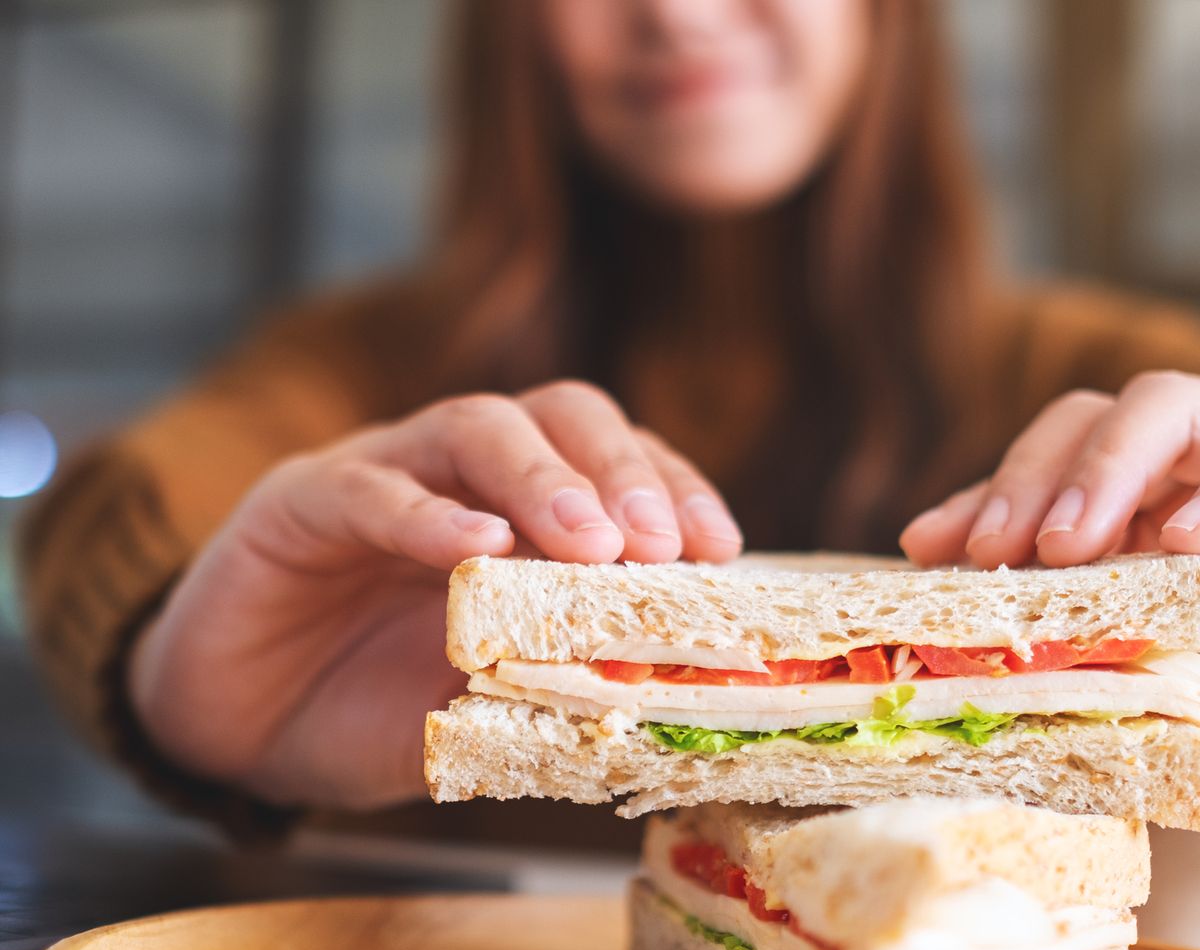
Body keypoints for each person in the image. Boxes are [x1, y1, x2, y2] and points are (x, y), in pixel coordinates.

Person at [19, 0, 1200, 847]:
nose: (678, 16)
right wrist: (183, 671)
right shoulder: (367, 363)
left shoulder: (1087, 364)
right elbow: (129, 499)